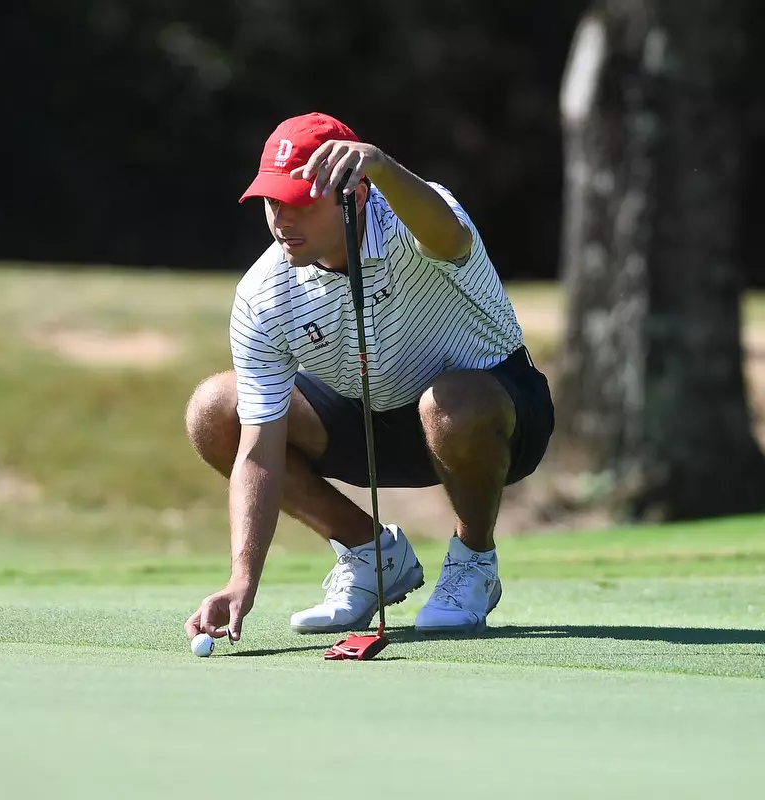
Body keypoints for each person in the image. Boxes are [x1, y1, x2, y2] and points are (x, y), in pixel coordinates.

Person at [182, 112, 554, 644]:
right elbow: (259, 451)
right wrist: (242, 579)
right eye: (272, 202)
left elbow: (448, 238)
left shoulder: (414, 217)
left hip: (494, 414)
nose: (282, 219)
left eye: (300, 202)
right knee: (216, 409)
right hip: (370, 420)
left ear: (354, 195)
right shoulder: (262, 295)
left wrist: (380, 165)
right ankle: (370, 554)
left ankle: (474, 561)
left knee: (449, 403)